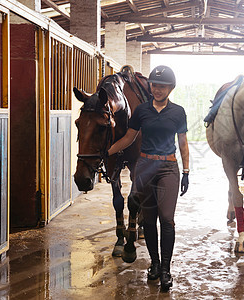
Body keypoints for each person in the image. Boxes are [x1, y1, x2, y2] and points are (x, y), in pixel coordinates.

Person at [107, 65, 189, 291]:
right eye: (154, 85)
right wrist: (107, 152)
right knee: (149, 218)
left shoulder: (178, 112)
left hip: (168, 167)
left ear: (170, 88)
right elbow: (129, 138)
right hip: (145, 166)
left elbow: (183, 143)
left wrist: (186, 171)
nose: (157, 89)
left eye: (162, 86)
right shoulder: (142, 111)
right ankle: (154, 263)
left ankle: (166, 270)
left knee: (167, 218)